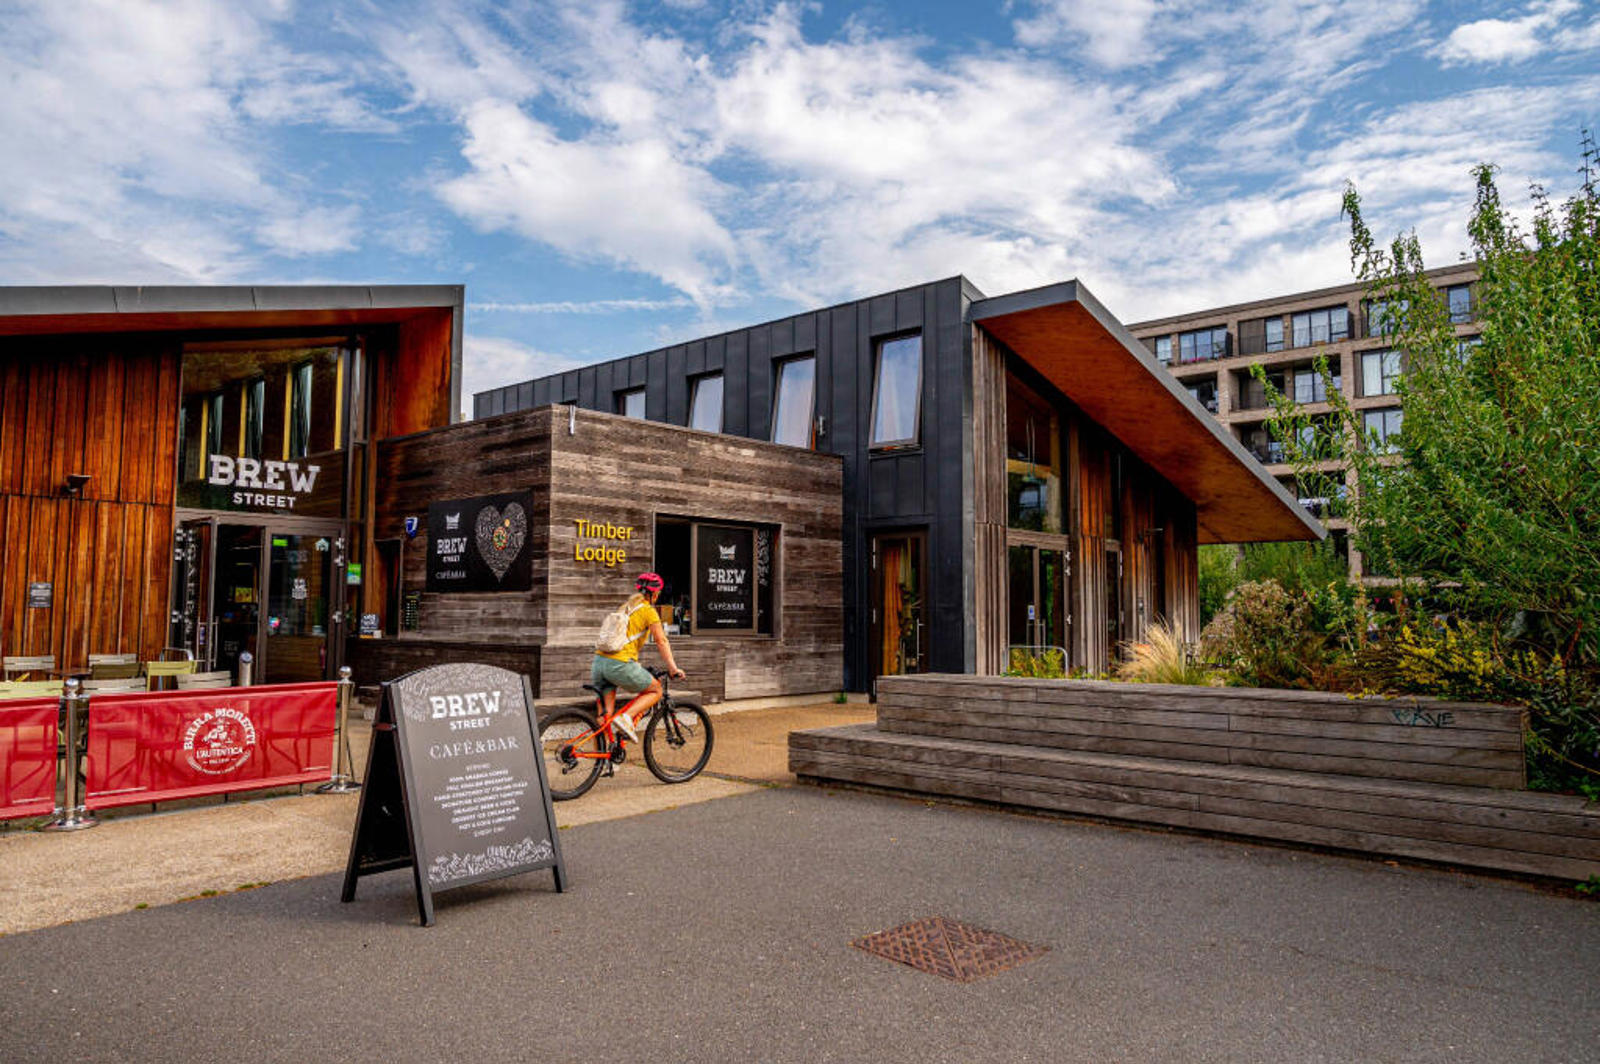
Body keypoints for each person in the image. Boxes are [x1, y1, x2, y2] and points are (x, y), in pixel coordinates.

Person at [592, 572, 685, 742]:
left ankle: (603, 757)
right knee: (656, 690)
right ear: (655, 594)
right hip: (619, 664)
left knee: (604, 718)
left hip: (599, 663)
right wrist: (673, 668)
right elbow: (661, 641)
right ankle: (626, 717)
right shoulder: (648, 611)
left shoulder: (625, 607)